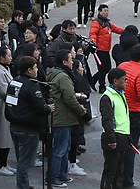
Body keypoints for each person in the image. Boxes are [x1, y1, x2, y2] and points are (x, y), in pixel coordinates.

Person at [5, 56, 55, 189]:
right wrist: (48, 108)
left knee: (21, 159)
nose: (37, 70)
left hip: (14, 125)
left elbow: (10, 102)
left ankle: (24, 184)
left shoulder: (14, 82)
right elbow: (40, 107)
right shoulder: (32, 85)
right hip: (29, 128)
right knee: (26, 162)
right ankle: (22, 186)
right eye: (35, 68)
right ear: (29, 70)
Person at [47, 50, 87, 187]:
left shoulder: (53, 73)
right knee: (59, 149)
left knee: (65, 147)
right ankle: (53, 178)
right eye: (70, 59)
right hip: (62, 117)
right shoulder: (63, 77)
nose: (72, 62)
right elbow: (69, 98)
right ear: (64, 62)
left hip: (62, 117)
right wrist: (81, 111)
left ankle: (62, 175)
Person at [118, 44, 140, 188]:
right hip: (133, 112)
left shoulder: (122, 66)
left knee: (119, 147)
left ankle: (117, 178)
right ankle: (127, 181)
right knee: (130, 148)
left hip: (120, 110)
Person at [99, 68, 130, 189]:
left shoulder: (120, 95)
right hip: (113, 137)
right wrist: (111, 139)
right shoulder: (107, 97)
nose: (126, 81)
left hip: (122, 137)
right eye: (124, 79)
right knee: (110, 171)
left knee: (119, 171)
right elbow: (107, 120)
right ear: (115, 81)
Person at [0, 47, 16, 176]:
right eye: (9, 55)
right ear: (2, 58)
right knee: (1, 136)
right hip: (2, 106)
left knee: (6, 137)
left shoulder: (5, 69)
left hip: (7, 106)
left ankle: (5, 163)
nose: (11, 58)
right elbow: (3, 91)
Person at [90, 5, 124, 93]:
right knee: (102, 69)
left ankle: (93, 80)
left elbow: (117, 29)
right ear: (99, 11)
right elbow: (93, 34)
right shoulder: (96, 23)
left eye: (107, 11)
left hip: (106, 49)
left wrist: (128, 31)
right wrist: (93, 43)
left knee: (107, 68)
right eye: (104, 11)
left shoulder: (107, 23)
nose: (106, 13)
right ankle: (102, 86)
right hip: (99, 50)